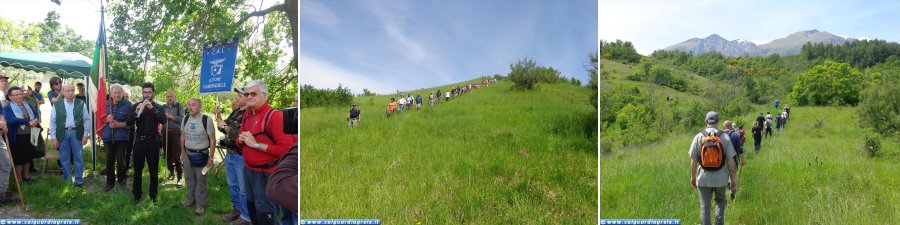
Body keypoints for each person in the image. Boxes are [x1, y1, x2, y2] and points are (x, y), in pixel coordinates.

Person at [236, 81, 294, 225]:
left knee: (266, 214)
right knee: (252, 208)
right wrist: (241, 140)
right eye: (246, 94)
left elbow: (287, 150)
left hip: (266, 174)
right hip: (248, 170)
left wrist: (255, 144)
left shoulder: (275, 116)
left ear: (264, 95)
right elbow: (239, 141)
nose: (249, 97)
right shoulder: (247, 115)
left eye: (253, 93)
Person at [689, 111, 738, 225]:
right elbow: (730, 160)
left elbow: (693, 160)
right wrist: (733, 178)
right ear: (718, 122)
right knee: (721, 201)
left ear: (706, 121)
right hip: (721, 179)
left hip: (703, 178)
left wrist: (693, 177)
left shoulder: (699, 136)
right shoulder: (725, 137)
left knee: (705, 207)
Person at [126, 82, 167, 205]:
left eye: (149, 92)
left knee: (153, 171)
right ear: (142, 93)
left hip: (153, 142)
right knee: (137, 170)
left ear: (153, 93)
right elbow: (128, 122)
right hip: (139, 141)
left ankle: (153, 196)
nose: (147, 95)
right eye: (145, 92)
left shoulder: (159, 107)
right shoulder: (136, 105)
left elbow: (163, 120)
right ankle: (136, 195)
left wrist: (151, 108)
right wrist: (136, 112)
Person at [216, 88, 251, 224]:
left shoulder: (249, 114)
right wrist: (218, 115)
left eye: (239, 95)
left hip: (241, 156)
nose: (236, 98)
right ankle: (236, 210)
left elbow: (236, 134)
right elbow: (222, 126)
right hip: (230, 154)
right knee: (233, 185)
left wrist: (224, 126)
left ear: (247, 98)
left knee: (243, 189)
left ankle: (246, 216)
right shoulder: (236, 111)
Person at [48, 84, 91, 187]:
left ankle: (79, 181)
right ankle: (67, 180)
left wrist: (85, 135)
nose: (71, 93)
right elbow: (52, 122)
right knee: (64, 158)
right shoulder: (57, 104)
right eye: (68, 91)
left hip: (77, 133)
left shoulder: (81, 103)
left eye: (72, 90)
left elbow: (87, 120)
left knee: (78, 157)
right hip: (63, 133)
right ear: (63, 92)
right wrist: (53, 138)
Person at [180, 98, 216, 215]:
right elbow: (182, 137)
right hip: (187, 153)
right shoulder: (185, 119)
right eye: (189, 105)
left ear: (200, 107)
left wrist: (210, 157)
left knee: (201, 180)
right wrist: (182, 152)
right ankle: (190, 199)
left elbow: (212, 139)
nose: (190, 107)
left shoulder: (207, 120)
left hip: (201, 154)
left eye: (193, 105)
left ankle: (200, 205)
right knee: (189, 178)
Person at [5, 87, 41, 185]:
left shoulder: (27, 104)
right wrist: (29, 121)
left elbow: (35, 114)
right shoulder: (8, 107)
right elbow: (12, 120)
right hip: (17, 136)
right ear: (10, 97)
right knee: (19, 158)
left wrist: (36, 120)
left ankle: (26, 175)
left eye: (20, 94)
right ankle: (19, 178)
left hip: (30, 134)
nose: (19, 96)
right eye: (16, 95)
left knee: (28, 156)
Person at [102, 85, 132, 192]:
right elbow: (99, 119)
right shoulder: (105, 104)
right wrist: (106, 119)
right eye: (114, 93)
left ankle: (121, 180)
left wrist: (118, 124)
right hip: (108, 137)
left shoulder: (128, 105)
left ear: (122, 93)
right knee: (109, 160)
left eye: (119, 92)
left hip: (122, 138)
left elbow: (131, 123)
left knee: (121, 160)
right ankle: (110, 182)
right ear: (111, 94)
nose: (117, 95)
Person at [161, 90, 185, 185]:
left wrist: (170, 116)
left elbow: (182, 119)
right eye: (167, 96)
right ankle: (171, 173)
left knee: (177, 155)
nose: (169, 98)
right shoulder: (162, 107)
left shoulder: (179, 106)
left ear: (174, 97)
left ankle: (179, 177)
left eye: (171, 96)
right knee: (167, 155)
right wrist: (163, 117)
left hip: (176, 134)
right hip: (165, 133)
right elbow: (160, 118)